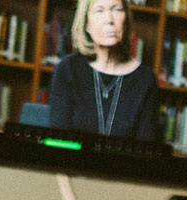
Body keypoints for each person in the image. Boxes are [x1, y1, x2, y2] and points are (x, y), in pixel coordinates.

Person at [48, 1, 160, 142]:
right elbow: (58, 141)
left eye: (117, 10)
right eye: (99, 11)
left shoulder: (146, 79)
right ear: (86, 24)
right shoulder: (67, 69)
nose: (109, 20)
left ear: (126, 20)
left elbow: (146, 151)